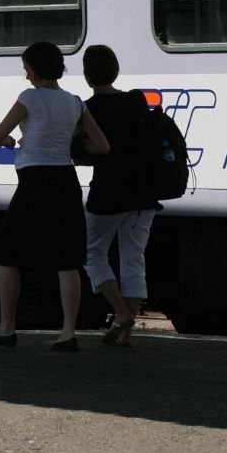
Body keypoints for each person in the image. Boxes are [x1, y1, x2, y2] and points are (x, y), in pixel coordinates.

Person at [0, 41, 109, 352]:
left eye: (26, 69)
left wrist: (10, 142)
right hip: (65, 181)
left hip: (34, 182)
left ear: (36, 71)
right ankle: (68, 333)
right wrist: (71, 141)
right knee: (67, 260)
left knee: (8, 254)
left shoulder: (30, 97)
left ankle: (6, 328)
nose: (26, 75)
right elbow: (102, 147)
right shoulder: (75, 102)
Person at [80, 44, 161, 347]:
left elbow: (82, 154)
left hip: (108, 194)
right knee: (133, 259)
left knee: (92, 253)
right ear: (115, 70)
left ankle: (121, 313)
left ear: (87, 75)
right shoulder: (135, 100)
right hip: (144, 192)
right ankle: (126, 334)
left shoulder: (87, 109)